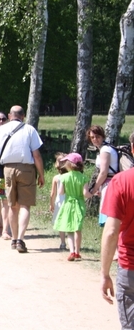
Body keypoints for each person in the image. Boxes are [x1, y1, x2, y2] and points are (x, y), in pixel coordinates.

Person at [0, 105, 45, 253]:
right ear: (23, 116)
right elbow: (36, 155)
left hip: (7, 169)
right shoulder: (29, 130)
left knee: (12, 205)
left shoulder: (0, 130)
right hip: (26, 168)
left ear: (9, 116)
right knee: (25, 205)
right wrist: (41, 174)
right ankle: (20, 238)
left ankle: (13, 239)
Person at [100, 131, 134, 328]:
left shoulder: (121, 182)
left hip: (130, 267)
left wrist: (104, 273)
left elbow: (111, 232)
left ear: (132, 149)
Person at [53, 153, 88, 261]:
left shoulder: (64, 177)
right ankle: (77, 252)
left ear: (69, 164)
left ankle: (71, 251)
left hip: (68, 203)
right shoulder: (83, 177)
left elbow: (61, 192)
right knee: (77, 228)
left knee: (69, 229)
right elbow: (86, 194)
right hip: (79, 204)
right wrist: (93, 193)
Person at [87, 125, 119, 226]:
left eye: (97, 136)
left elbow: (103, 172)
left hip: (110, 184)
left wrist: (94, 189)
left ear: (103, 136)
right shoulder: (106, 148)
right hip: (109, 184)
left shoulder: (105, 150)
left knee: (108, 220)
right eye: (92, 137)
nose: (95, 139)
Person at [49, 152, 68, 250]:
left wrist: (51, 204)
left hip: (60, 203)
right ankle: (72, 242)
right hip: (70, 202)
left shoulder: (56, 178)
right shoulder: (71, 176)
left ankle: (63, 243)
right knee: (69, 222)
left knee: (61, 223)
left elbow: (53, 193)